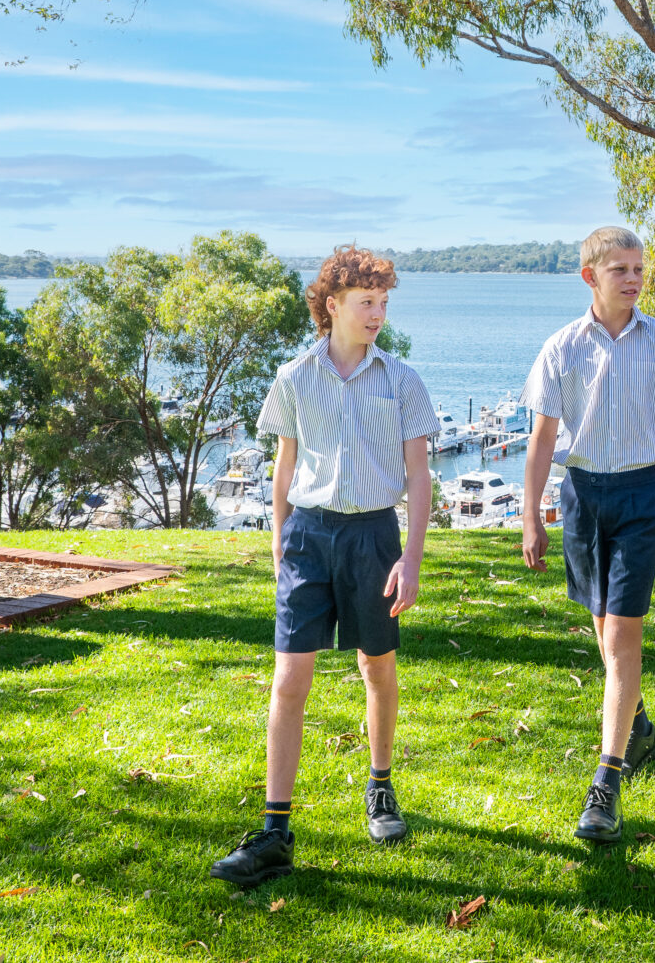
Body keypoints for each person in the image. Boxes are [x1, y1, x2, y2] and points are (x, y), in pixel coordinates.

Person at [208, 246, 439, 890]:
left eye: (384, 302)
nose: (378, 313)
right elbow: (284, 467)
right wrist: (280, 540)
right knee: (288, 681)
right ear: (332, 305)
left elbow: (418, 477)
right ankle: (276, 830)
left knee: (376, 665)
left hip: (373, 536)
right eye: (367, 302)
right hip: (309, 537)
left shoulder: (403, 379)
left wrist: (412, 558)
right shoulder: (294, 376)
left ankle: (381, 785)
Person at [518, 225, 655, 844]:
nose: (632, 278)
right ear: (590, 277)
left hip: (642, 495)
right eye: (619, 269)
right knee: (601, 626)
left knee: (623, 633)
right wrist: (529, 514)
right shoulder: (562, 348)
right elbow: (544, 438)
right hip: (582, 496)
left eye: (639, 269)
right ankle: (639, 727)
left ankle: (607, 781)